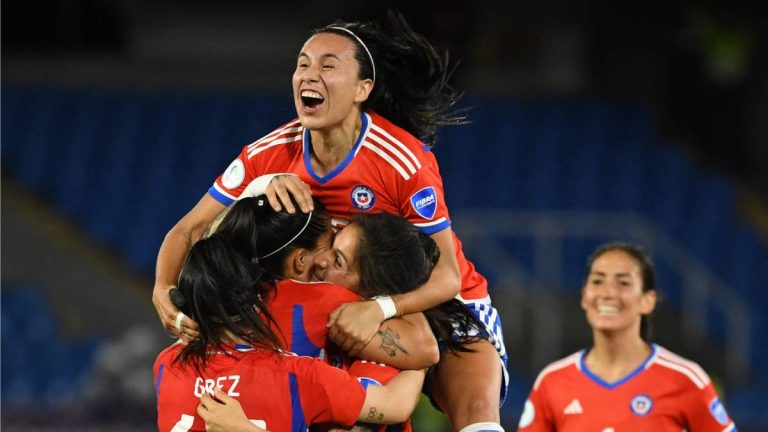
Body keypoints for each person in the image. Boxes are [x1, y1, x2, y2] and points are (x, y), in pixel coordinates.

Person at [152, 12, 508, 432]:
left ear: (363, 88)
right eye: (302, 63)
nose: (309, 74)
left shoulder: (402, 160)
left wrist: (379, 309)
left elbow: (447, 275)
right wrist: (162, 289)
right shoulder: (267, 156)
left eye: (327, 65)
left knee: (478, 419)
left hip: (423, 299)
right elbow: (188, 230)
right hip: (331, 302)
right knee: (348, 418)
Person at [199, 196, 483, 432]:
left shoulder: (374, 351)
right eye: (332, 246)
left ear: (372, 291)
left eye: (337, 260)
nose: (322, 263)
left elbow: (424, 354)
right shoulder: (292, 306)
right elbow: (424, 354)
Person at [154, 234, 426, 432]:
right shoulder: (300, 376)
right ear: (256, 298)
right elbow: (397, 405)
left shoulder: (166, 366)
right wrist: (420, 363)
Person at [516, 242, 737, 432]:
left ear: (648, 301)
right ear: (584, 296)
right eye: (597, 281)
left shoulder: (686, 379)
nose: (608, 293)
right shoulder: (552, 381)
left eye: (623, 282)